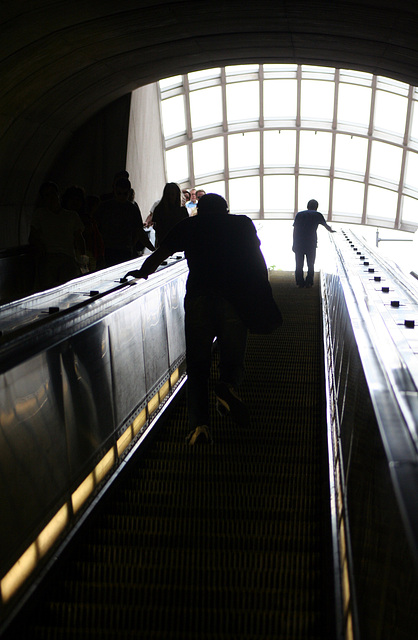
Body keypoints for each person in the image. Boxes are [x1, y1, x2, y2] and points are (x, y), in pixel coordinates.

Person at [124, 193, 282, 446]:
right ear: (226, 209)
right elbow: (257, 259)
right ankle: (227, 386)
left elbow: (160, 254)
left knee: (197, 367)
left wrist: (141, 273)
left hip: (199, 299)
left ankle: (200, 427)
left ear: (200, 209)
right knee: (233, 358)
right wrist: (262, 293)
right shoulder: (241, 224)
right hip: (234, 299)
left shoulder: (190, 225)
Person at [29, 181, 86, 290]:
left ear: (58, 194)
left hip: (67, 257)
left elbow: (79, 238)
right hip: (48, 257)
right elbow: (33, 236)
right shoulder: (40, 214)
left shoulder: (71, 216)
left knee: (67, 289)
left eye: (53, 193)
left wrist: (82, 257)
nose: (51, 198)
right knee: (49, 291)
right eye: (47, 195)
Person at [95, 177, 154, 267]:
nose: (122, 197)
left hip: (116, 249)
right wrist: (154, 250)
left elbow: (139, 232)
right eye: (120, 193)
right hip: (113, 249)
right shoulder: (130, 208)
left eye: (124, 194)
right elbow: (139, 232)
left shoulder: (106, 207)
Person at [292, 199, 336, 288]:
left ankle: (300, 282)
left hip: (299, 242)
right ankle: (309, 282)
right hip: (311, 243)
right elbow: (326, 226)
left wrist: (294, 243)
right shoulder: (317, 215)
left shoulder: (299, 214)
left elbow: (295, 229)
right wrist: (332, 230)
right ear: (316, 207)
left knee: (299, 263)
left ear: (307, 206)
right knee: (310, 263)